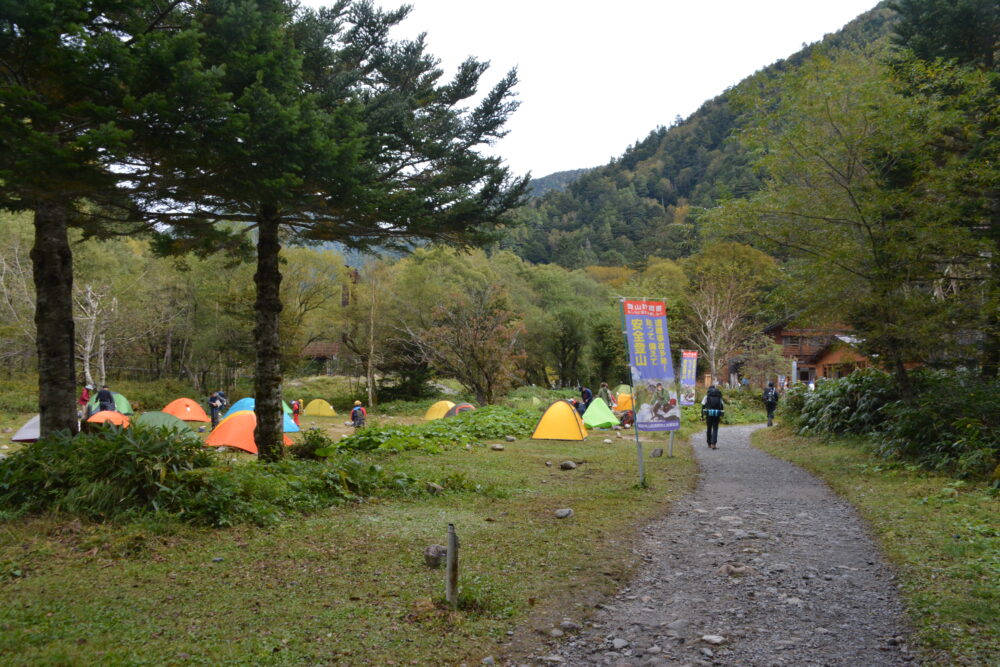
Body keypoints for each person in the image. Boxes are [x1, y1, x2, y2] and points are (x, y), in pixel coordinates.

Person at [701, 385, 725, 449]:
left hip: (709, 414)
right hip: (716, 414)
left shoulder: (706, 396)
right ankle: (713, 444)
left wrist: (702, 416)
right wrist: (721, 414)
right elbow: (722, 405)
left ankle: (709, 443)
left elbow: (703, 406)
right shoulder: (719, 396)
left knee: (709, 428)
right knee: (715, 429)